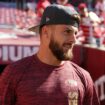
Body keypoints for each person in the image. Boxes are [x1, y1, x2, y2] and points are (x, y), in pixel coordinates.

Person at [0, 4, 100, 105]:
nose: (74, 40)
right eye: (67, 31)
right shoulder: (14, 73)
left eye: (75, 33)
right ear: (45, 32)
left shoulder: (83, 77)